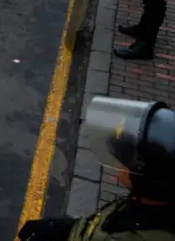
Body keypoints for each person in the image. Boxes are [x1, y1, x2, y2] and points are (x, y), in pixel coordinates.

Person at [18, 97, 175, 240]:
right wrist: (64, 229)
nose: (122, 162)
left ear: (145, 179)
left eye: (128, 160)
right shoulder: (148, 208)